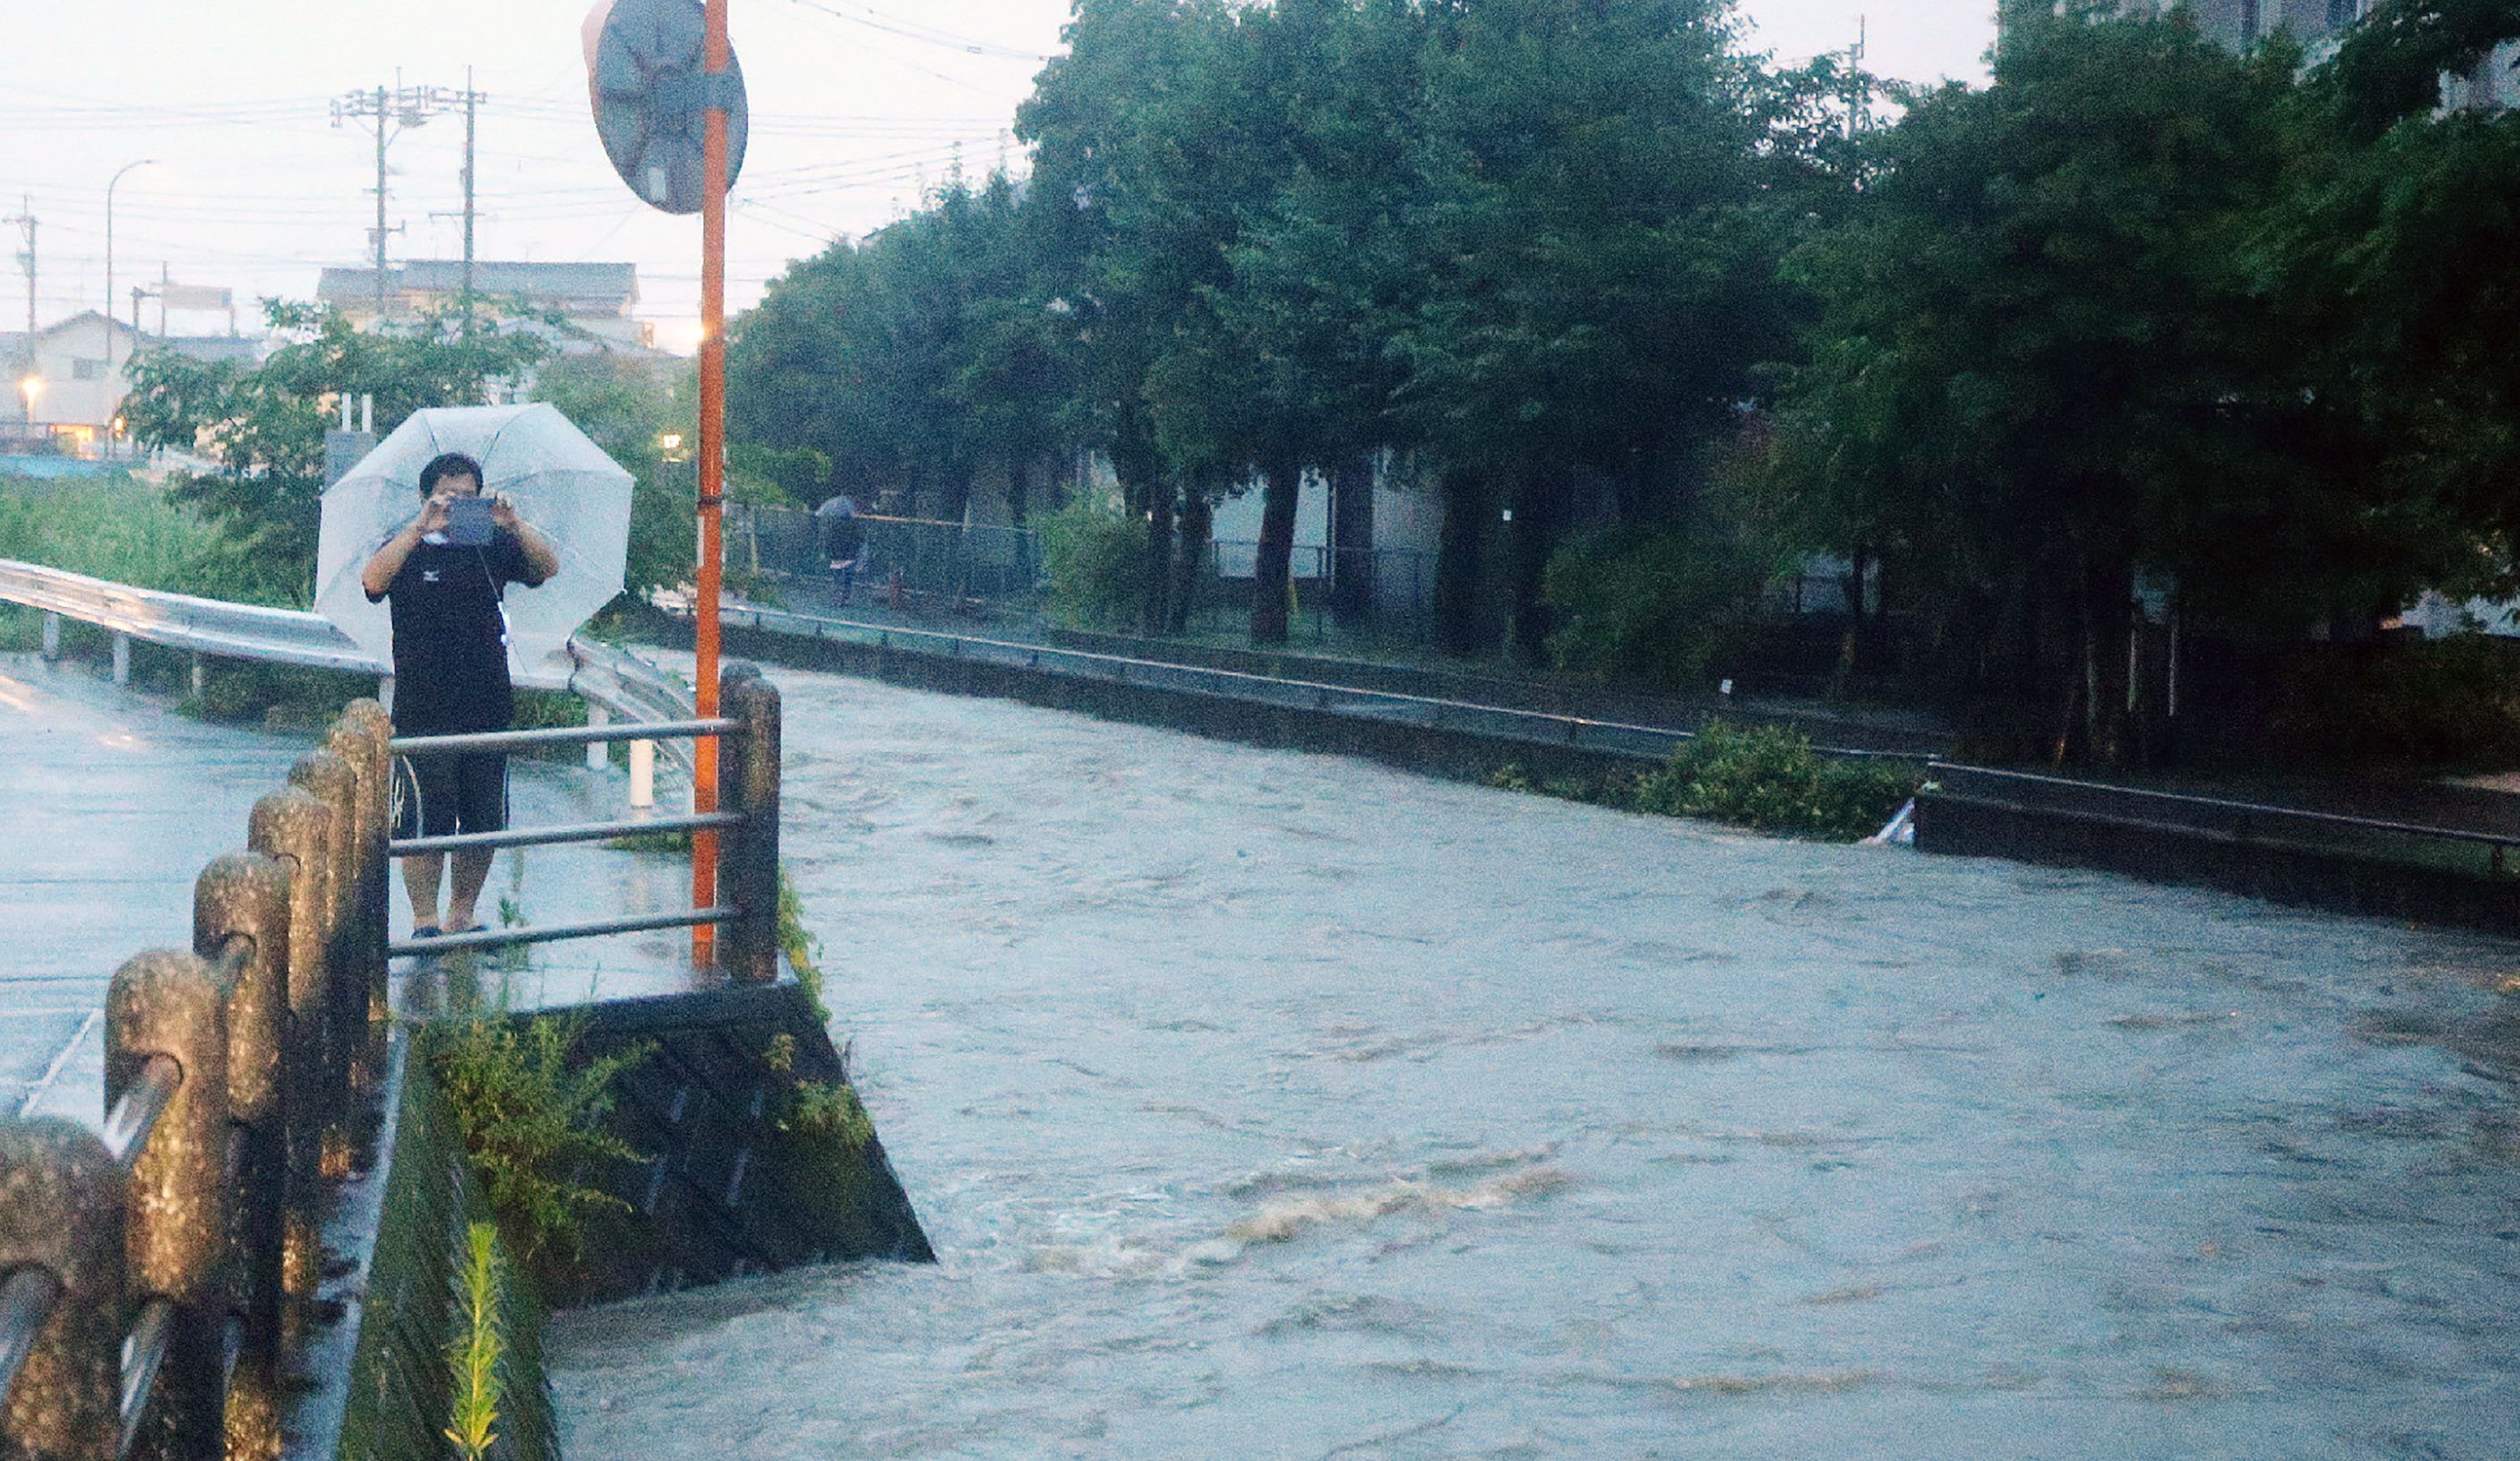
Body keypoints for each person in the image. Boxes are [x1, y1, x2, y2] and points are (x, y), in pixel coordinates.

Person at [359, 451, 561, 937]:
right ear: (428, 495)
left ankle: (462, 914)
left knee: (482, 818)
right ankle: (425, 920)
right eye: (450, 496)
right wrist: (419, 526)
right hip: (423, 703)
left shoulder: (491, 546)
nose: (459, 505)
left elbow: (546, 567)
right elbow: (372, 582)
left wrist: (513, 524)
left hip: (487, 699)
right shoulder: (408, 547)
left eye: (469, 497)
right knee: (423, 821)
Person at [817, 493, 865, 605]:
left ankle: (838, 596)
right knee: (846, 577)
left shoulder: (834, 528)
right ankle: (843, 597)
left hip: (840, 555)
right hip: (847, 555)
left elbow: (830, 542)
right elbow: (858, 540)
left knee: (839, 576)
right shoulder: (852, 526)